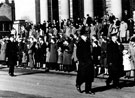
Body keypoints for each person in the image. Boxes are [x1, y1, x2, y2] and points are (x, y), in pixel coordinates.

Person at [76, 30, 95, 94]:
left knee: (89, 76)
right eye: (85, 36)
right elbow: (78, 54)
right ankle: (78, 84)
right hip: (83, 62)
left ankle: (88, 89)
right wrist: (81, 61)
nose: (86, 36)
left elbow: (90, 52)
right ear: (81, 36)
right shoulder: (80, 43)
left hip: (89, 61)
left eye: (86, 35)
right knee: (82, 75)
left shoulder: (88, 42)